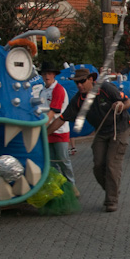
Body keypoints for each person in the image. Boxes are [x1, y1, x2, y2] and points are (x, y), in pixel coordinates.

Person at [47, 68, 130, 212]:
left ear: (91, 80)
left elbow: (128, 101)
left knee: (112, 164)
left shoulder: (106, 88)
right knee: (98, 166)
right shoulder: (77, 100)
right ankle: (112, 189)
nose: (79, 85)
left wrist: (121, 106)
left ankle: (111, 200)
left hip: (119, 129)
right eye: (77, 83)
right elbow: (61, 119)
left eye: (82, 81)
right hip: (101, 131)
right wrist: (44, 134)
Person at [39, 61, 79, 197]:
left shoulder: (58, 89)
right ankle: (57, 188)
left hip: (59, 130)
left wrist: (42, 128)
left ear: (54, 75)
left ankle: (72, 187)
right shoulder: (42, 91)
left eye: (49, 73)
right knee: (51, 162)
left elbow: (53, 112)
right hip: (47, 130)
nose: (47, 76)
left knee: (63, 160)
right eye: (44, 74)